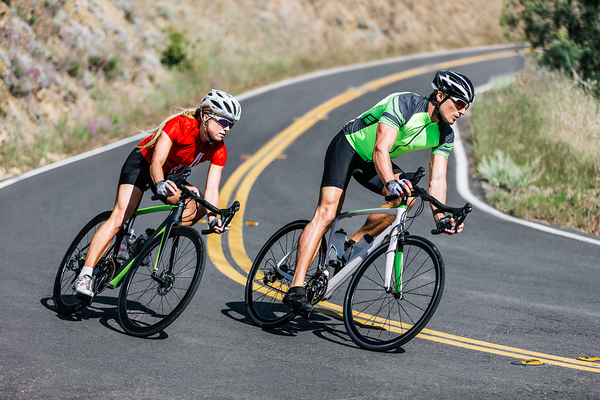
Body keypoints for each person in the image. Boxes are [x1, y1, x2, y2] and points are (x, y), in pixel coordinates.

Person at [283, 70, 476, 313]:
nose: (462, 111)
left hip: (372, 161)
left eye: (466, 107)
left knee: (410, 196)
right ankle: (296, 286)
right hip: (349, 147)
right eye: (459, 103)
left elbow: (437, 179)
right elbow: (380, 149)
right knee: (328, 212)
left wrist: (441, 217)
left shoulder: (445, 134)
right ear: (440, 95)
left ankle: (352, 243)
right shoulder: (404, 104)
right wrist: (389, 182)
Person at [73, 89, 242, 298]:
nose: (227, 129)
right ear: (206, 116)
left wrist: (214, 218)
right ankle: (86, 275)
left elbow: (212, 189)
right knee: (119, 218)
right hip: (143, 165)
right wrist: (160, 183)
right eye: (224, 122)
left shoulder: (218, 149)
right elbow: (157, 162)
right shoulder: (180, 125)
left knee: (196, 201)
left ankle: (149, 239)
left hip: (170, 176)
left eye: (231, 125)